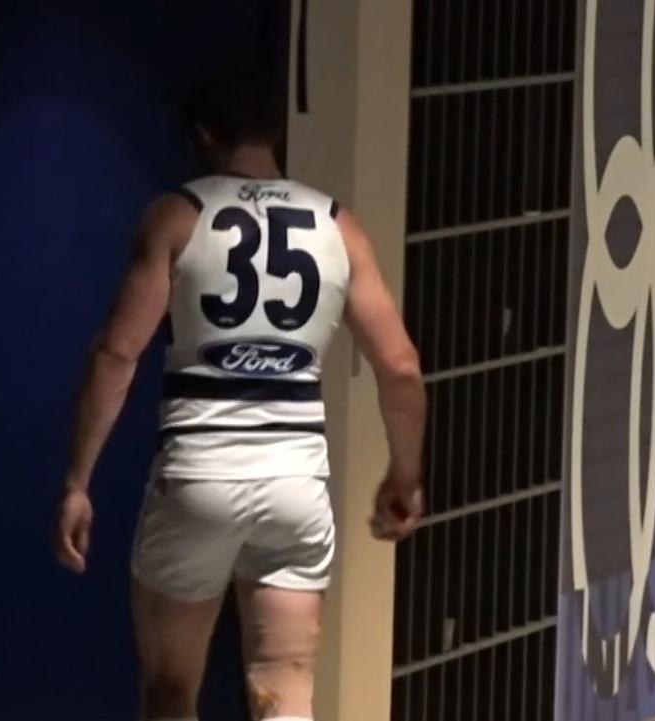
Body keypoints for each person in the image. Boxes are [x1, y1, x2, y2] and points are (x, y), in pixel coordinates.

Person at [53, 72, 426, 721]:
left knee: (170, 691)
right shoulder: (339, 227)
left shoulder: (176, 217)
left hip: (200, 473)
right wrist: (403, 472)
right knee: (285, 694)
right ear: (274, 134)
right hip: (294, 480)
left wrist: (77, 480)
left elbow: (116, 355)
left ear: (203, 136)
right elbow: (399, 366)